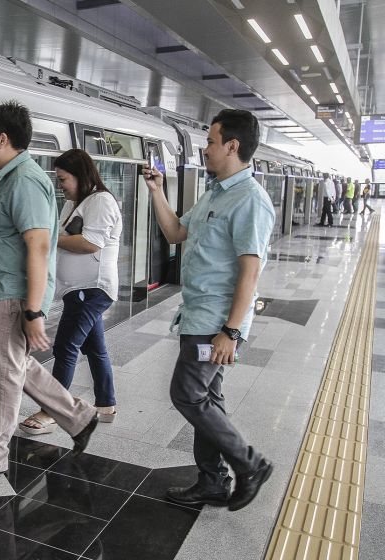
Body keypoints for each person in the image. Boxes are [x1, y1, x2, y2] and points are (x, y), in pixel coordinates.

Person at [0, 101, 98, 479]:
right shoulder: (13, 178)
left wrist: (32, 311)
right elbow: (12, 232)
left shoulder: (25, 180)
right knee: (14, 366)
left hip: (12, 294)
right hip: (6, 290)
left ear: (3, 138)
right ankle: (79, 417)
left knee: (0, 374)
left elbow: (39, 246)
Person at [142, 109, 274, 511]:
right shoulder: (216, 192)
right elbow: (175, 232)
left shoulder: (250, 200)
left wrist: (231, 332)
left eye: (212, 141)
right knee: (206, 399)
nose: (205, 148)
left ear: (232, 146)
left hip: (215, 322)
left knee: (186, 393)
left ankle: (248, 463)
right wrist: (157, 191)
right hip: (197, 313)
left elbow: (249, 274)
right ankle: (213, 481)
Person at [20, 149, 122, 435]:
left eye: (63, 179)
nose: (60, 184)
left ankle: (53, 410)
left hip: (91, 289)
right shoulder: (76, 202)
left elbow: (91, 243)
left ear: (81, 175)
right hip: (78, 290)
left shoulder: (100, 201)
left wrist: (51, 240)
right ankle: (106, 405)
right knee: (95, 348)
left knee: (66, 346)